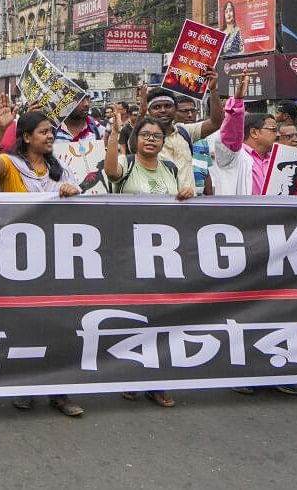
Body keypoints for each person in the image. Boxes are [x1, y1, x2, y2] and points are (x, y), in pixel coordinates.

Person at [0, 93, 84, 418]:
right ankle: (24, 385)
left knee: (58, 326)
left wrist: (71, 192)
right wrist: (0, 129)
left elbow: (78, 201)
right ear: (26, 138)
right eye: (43, 132)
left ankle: (59, 390)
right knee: (23, 326)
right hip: (18, 262)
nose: (50, 136)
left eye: (51, 132)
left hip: (54, 261)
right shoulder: (11, 165)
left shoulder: (59, 171)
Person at [104, 112, 192, 407]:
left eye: (156, 136)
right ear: (135, 139)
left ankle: (158, 382)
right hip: (129, 256)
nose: (151, 140)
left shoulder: (169, 167)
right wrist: (115, 134)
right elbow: (111, 170)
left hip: (164, 259)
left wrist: (186, 194)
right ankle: (131, 376)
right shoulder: (127, 165)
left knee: (162, 319)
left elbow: (179, 204)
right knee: (134, 318)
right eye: (145, 135)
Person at [138, 70, 222, 191]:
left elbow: (216, 122)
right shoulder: (143, 138)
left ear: (175, 109)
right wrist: (140, 114)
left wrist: (213, 90)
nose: (163, 110)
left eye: (167, 106)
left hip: (188, 205)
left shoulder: (185, 132)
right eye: (156, 107)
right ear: (148, 111)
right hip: (159, 205)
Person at [210, 76, 276, 196]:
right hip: (244, 214)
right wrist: (237, 102)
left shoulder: (275, 160)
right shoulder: (233, 156)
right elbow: (230, 136)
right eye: (273, 130)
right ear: (254, 133)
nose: (278, 134)